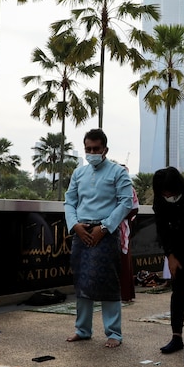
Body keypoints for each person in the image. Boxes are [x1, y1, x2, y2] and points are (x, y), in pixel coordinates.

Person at [64, 128, 134, 349]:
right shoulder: (79, 173)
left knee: (108, 282)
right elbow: (69, 201)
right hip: (81, 231)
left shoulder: (118, 172)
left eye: (96, 149)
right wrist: (75, 225)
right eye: (88, 149)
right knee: (82, 281)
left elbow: (126, 203)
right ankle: (82, 330)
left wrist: (104, 228)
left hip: (105, 232)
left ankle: (114, 333)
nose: (92, 152)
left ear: (105, 149)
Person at [152, 167, 184, 354]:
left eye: (170, 192)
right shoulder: (160, 198)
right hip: (176, 245)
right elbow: (161, 228)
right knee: (178, 290)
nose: (167, 195)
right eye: (163, 193)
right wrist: (170, 255)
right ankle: (176, 337)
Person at [118, 165, 140, 303]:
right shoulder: (109, 188)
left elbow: (134, 209)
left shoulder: (130, 190)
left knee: (124, 261)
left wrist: (118, 216)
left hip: (123, 228)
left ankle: (125, 294)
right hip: (106, 227)